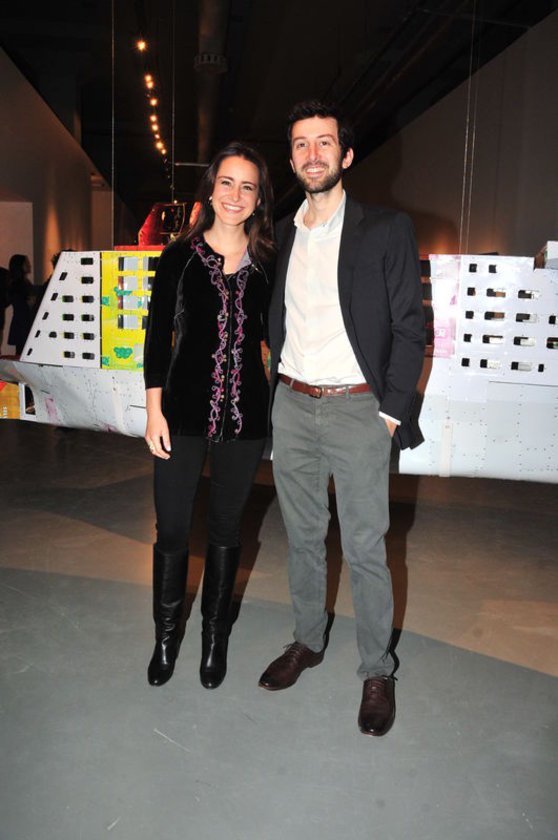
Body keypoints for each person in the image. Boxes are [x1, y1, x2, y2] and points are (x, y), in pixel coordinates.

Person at [258, 100, 425, 736]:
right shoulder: (280, 234)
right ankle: (308, 640)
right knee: (302, 537)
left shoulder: (385, 229)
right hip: (293, 405)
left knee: (364, 547)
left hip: (359, 409)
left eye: (324, 142)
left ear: (346, 154)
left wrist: (389, 413)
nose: (313, 154)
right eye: (301, 144)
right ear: (292, 158)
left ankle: (377, 670)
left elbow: (410, 327)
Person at [143, 141, 275, 690]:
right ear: (211, 189)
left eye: (248, 186)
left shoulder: (268, 264)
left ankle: (214, 638)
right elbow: (156, 337)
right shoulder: (179, 257)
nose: (235, 195)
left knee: (225, 528)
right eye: (227, 183)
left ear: (259, 198)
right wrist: (154, 411)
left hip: (245, 421)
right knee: (173, 526)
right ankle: (166, 637)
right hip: (181, 413)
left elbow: (282, 335)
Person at [7, 254, 35, 355]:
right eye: (26, 263)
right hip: (23, 323)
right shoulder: (19, 284)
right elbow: (23, 304)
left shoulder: (20, 283)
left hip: (21, 323)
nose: (29, 265)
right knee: (22, 352)